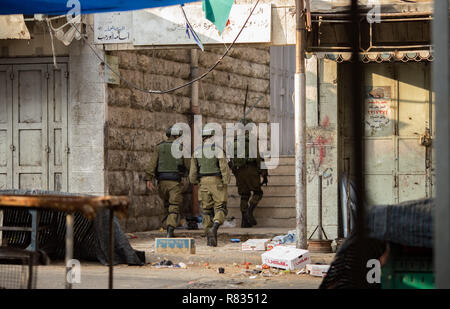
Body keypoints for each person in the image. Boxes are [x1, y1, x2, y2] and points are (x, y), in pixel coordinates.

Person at [144, 125, 189, 238]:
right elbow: (188, 165)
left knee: (166, 205)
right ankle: (170, 230)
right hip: (174, 182)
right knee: (174, 206)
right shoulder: (181, 148)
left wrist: (149, 179)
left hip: (161, 183)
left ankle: (168, 229)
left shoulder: (159, 147)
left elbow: (152, 164)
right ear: (176, 135)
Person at [189, 127, 230, 247]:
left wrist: (195, 182)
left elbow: (192, 172)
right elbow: (224, 167)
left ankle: (209, 238)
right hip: (216, 182)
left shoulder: (196, 151)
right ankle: (215, 228)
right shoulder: (217, 150)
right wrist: (225, 181)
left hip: (203, 183)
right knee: (220, 207)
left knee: (206, 211)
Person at [229, 119, 268, 228]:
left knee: (244, 195)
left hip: (239, 171)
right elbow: (258, 157)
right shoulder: (252, 139)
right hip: (250, 169)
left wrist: (236, 172)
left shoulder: (235, 140)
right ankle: (250, 211)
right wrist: (263, 172)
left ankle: (244, 221)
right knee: (257, 192)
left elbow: (231, 158)